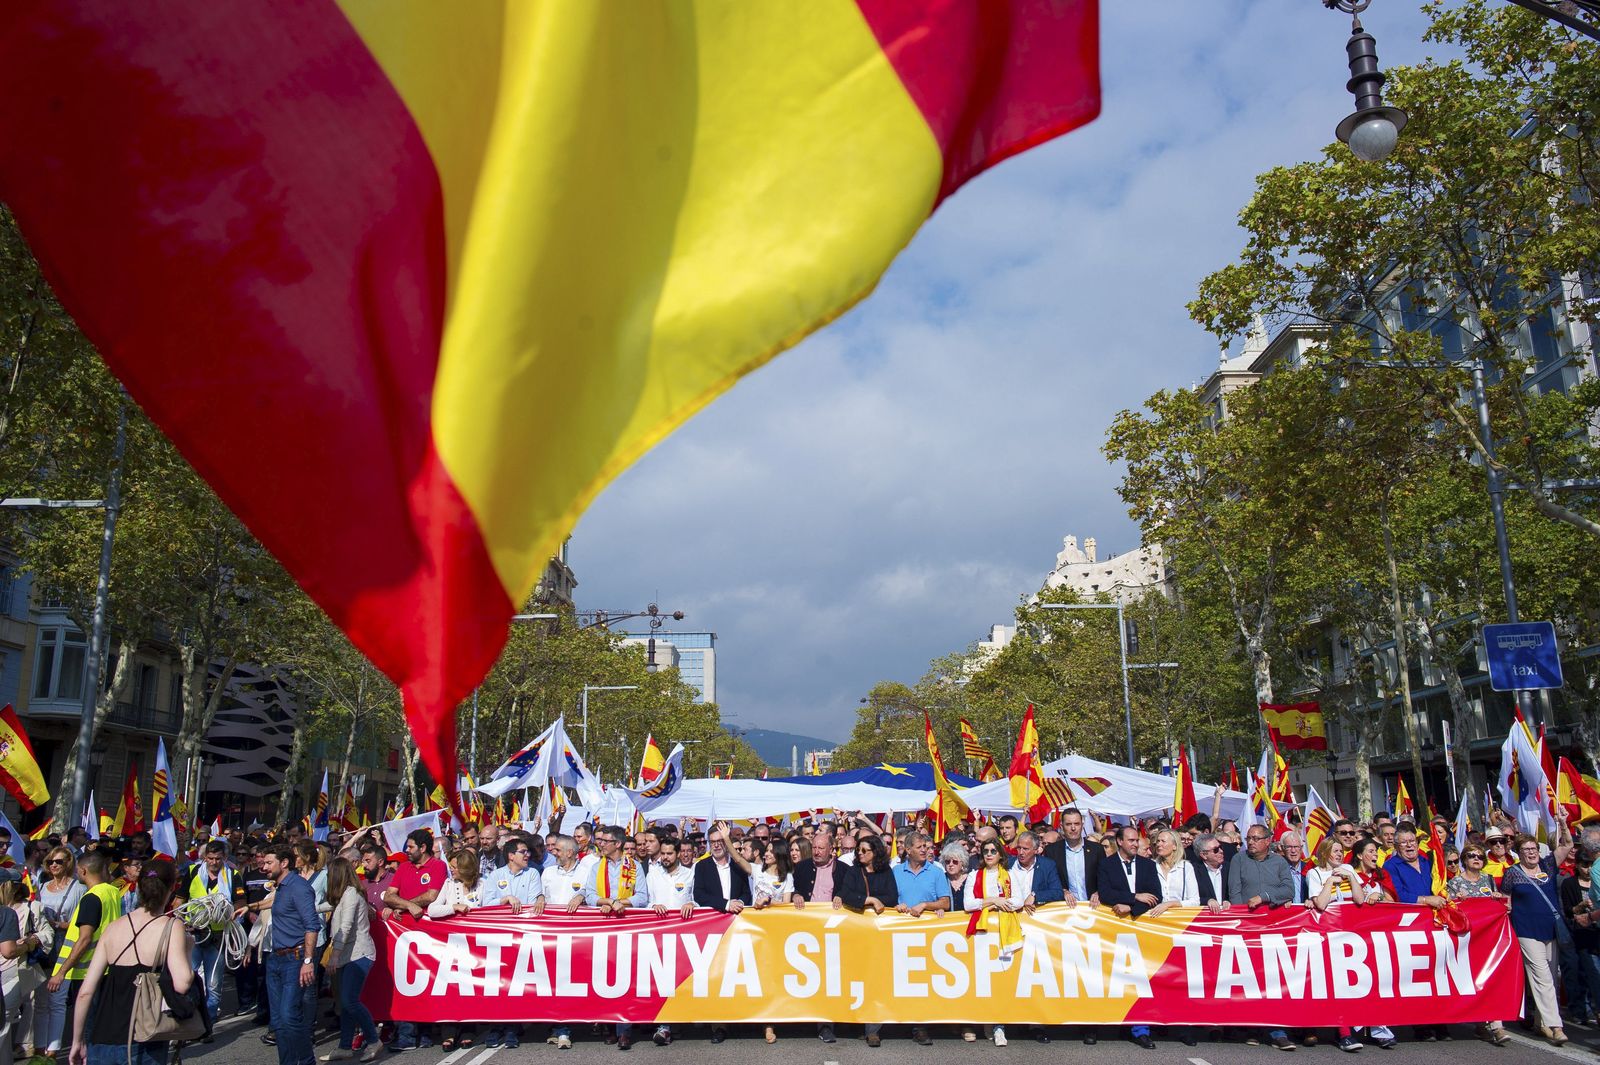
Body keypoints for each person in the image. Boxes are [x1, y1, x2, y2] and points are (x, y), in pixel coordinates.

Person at [65, 859, 193, 1065]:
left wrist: (77, 1040)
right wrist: (188, 950)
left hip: (102, 1035)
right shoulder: (171, 926)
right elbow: (182, 982)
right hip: (145, 1037)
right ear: (172, 888)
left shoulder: (114, 928)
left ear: (139, 887)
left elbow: (86, 992)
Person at [1227, 826, 1296, 1050]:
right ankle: (1253, 1028)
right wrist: (1241, 919)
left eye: (1256, 838)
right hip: (1247, 928)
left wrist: (1265, 897)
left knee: (1274, 980)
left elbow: (1288, 890)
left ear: (1268, 841)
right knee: (1250, 980)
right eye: (1249, 838)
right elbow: (1235, 892)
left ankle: (1278, 1031)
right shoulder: (1239, 859)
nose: (1251, 842)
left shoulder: (1279, 862)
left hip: (1274, 928)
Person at [47, 852, 117, 1063]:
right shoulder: (112, 892)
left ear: (83, 871)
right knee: (101, 1029)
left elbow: (84, 939)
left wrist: (61, 972)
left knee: (88, 1033)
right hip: (107, 967)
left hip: (87, 972)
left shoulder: (91, 898)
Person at [1504, 832, 1572, 1045]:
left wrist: (1562, 822)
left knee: (1551, 979)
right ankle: (1556, 1026)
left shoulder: (1548, 865)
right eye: (1526, 850)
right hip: (1527, 932)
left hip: (1550, 932)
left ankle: (1540, 1023)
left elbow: (1568, 844)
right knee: (1542, 978)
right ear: (1519, 853)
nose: (1531, 853)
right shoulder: (1512, 873)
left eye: (1534, 849)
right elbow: (1506, 903)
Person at [381, 830, 446, 1052]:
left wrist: (402, 903)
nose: (406, 851)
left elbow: (432, 895)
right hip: (403, 936)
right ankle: (406, 1036)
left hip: (429, 934)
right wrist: (408, 905)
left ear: (423, 848)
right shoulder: (404, 868)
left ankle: (426, 1033)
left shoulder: (438, 866)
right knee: (404, 984)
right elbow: (389, 896)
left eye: (410, 847)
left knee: (426, 983)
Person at [1445, 843, 1510, 1046]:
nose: (1476, 859)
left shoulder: (1488, 880)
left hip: (1488, 938)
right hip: (1467, 939)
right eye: (1472, 855)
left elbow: (1500, 908)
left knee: (1490, 978)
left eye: (1480, 856)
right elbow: (1447, 907)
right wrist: (1456, 900)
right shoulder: (1455, 883)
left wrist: (1499, 901)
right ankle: (1481, 1022)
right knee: (1474, 979)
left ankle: (1497, 1026)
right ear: (1464, 859)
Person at [692, 827, 750, 1047]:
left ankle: (740, 1018)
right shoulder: (703, 866)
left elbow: (746, 892)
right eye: (712, 841)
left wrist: (740, 903)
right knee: (715, 978)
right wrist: (726, 905)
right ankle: (718, 1026)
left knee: (736, 975)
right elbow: (700, 894)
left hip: (737, 927)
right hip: (712, 929)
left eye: (719, 841)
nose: (716, 845)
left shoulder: (738, 865)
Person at [260, 843, 318, 1065]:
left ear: (283, 863)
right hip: (276, 958)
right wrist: (252, 906)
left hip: (295, 958)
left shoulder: (299, 887)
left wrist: (307, 961)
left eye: (268, 862)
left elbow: (311, 925)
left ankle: (305, 1061)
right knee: (278, 1021)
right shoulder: (281, 887)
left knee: (289, 1016)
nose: (264, 867)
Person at [180, 840, 248, 1022]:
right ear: (204, 857)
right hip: (193, 933)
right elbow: (180, 899)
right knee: (189, 978)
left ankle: (208, 1021)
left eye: (218, 859)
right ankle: (191, 1018)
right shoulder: (193, 872)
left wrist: (231, 911)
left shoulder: (233, 875)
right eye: (210, 858)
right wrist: (178, 920)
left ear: (224, 858)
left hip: (218, 936)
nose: (214, 862)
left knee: (213, 983)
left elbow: (241, 901)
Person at [322, 858, 380, 1062]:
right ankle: (345, 1046)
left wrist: (334, 955)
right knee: (345, 1003)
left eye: (330, 874)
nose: (328, 878)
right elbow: (323, 905)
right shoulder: (343, 896)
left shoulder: (352, 895)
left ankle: (373, 1039)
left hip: (359, 954)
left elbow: (345, 927)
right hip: (347, 956)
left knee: (350, 1000)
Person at [540, 836, 595, 1051]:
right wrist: (539, 897)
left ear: (571, 852)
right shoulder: (548, 873)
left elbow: (592, 894)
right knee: (552, 984)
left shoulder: (586, 872)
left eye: (558, 849)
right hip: (551, 936)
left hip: (577, 937)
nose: (553, 852)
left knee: (569, 983)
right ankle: (557, 1026)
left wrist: (581, 895)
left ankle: (565, 1029)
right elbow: (541, 896)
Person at [425, 850, 484, 1052]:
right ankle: (448, 1030)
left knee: (470, 987)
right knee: (450, 987)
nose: (451, 869)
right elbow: (432, 910)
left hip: (476, 946)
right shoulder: (449, 884)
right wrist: (454, 907)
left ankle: (468, 1029)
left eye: (455, 866)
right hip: (451, 944)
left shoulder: (482, 884)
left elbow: (490, 908)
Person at [640, 839, 695, 1048]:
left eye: (669, 853)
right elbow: (644, 900)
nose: (665, 857)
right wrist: (654, 905)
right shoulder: (653, 874)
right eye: (663, 853)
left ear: (679, 854)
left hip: (684, 935)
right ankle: (664, 1025)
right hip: (658, 934)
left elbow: (697, 899)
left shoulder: (690, 874)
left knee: (680, 980)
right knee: (661, 980)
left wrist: (692, 903)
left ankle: (679, 1020)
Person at [35, 847, 82, 1060]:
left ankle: (52, 1050)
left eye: (59, 862)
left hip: (65, 946)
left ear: (69, 863)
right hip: (44, 948)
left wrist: (59, 924)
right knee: (41, 1000)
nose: (54, 865)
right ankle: (38, 1047)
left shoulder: (77, 888)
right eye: (51, 861)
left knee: (57, 1000)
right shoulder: (42, 887)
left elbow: (80, 922)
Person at [1043, 808, 1099, 906]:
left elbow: (1105, 878)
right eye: (1068, 824)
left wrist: (1099, 892)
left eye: (1077, 824)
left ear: (1082, 825)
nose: (1073, 828)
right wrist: (1063, 891)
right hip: (1065, 908)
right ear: (1062, 826)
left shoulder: (1097, 849)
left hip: (1093, 907)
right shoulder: (1051, 851)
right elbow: (1048, 880)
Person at [1189, 833, 1232, 911]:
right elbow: (1189, 897)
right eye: (1215, 850)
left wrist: (1228, 900)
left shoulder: (1230, 868)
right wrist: (1207, 900)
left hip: (1227, 916)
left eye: (1221, 847)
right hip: (1204, 918)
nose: (1221, 851)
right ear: (1204, 855)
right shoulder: (1193, 871)